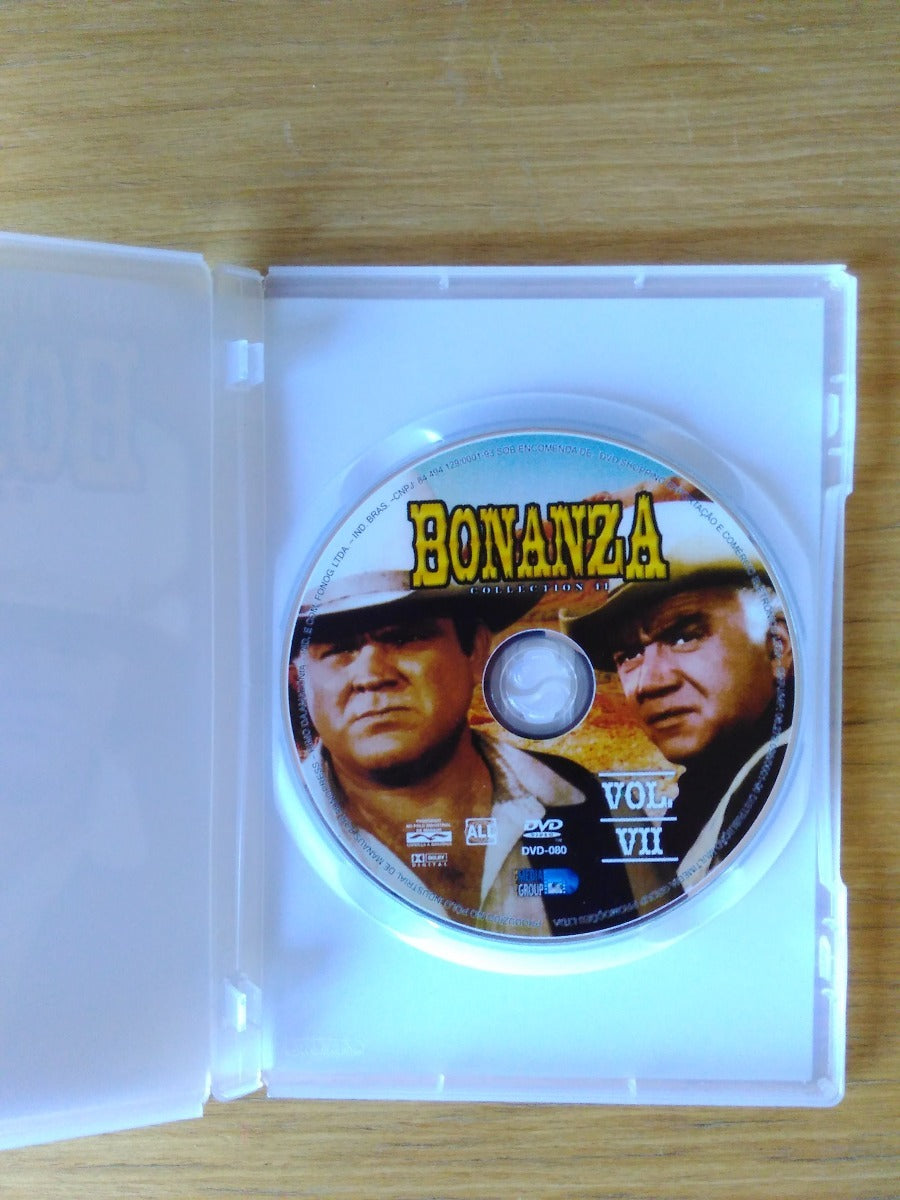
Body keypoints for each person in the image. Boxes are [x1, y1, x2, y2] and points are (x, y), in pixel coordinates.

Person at [290, 569, 634, 938]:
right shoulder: (281, 837)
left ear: (476, 650)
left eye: (406, 637)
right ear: (300, 679)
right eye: (339, 648)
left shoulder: (599, 806)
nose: (372, 676)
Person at [563, 501, 794, 900]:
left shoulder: (781, 785)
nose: (649, 682)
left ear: (776, 646)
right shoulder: (710, 788)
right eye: (629, 655)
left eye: (684, 636)